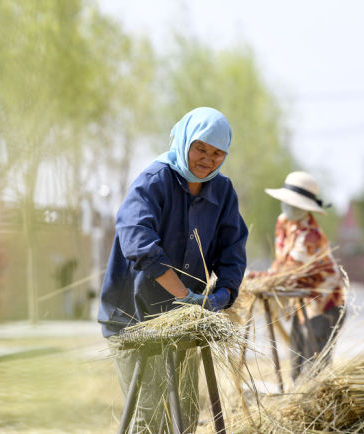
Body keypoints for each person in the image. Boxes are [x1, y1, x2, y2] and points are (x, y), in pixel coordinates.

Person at [97, 107, 248, 433]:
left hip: (183, 320)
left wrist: (220, 297)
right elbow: (138, 243)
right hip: (134, 320)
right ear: (184, 141)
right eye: (201, 148)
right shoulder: (153, 182)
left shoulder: (222, 192)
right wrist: (186, 298)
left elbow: (233, 252)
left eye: (217, 153)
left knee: (187, 416)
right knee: (150, 418)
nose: (208, 159)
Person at [262, 171, 346, 381]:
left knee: (315, 371)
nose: (289, 208)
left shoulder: (311, 235)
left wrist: (262, 279)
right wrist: (265, 276)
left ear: (305, 208)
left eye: (295, 204)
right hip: (301, 304)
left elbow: (292, 271)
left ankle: (320, 411)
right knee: (297, 366)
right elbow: (281, 262)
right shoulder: (283, 223)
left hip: (323, 306)